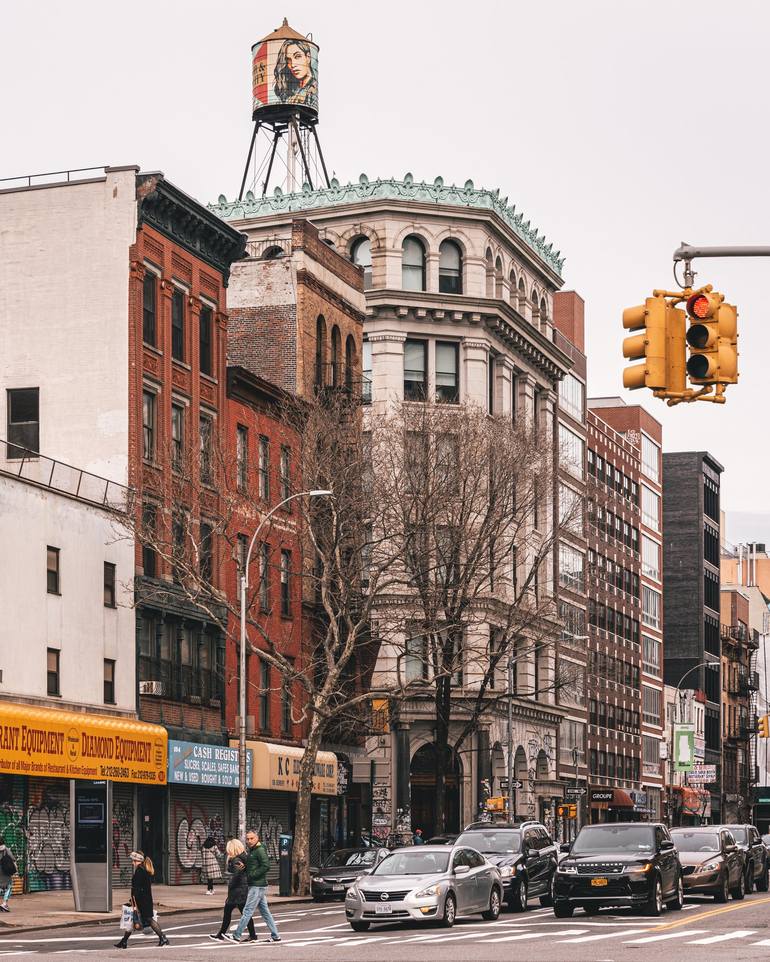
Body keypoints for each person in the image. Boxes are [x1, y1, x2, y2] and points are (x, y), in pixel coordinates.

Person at [225, 830, 280, 944]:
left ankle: (236, 935)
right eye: (248, 839)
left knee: (247, 911)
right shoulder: (253, 850)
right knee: (265, 912)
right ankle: (276, 936)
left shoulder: (259, 850)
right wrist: (244, 868)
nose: (249, 841)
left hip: (257, 885)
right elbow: (253, 866)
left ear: (257, 838)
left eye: (252, 838)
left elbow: (266, 866)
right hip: (257, 885)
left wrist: (252, 874)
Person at [114, 852, 170, 949]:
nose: (132, 863)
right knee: (134, 920)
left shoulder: (140, 871)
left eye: (133, 861)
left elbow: (138, 888)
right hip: (144, 900)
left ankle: (162, 938)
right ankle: (124, 941)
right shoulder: (143, 870)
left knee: (148, 919)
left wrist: (134, 901)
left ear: (138, 861)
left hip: (142, 901)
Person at [209, 840, 256, 942]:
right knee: (237, 912)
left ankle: (252, 935)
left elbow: (237, 874)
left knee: (241, 913)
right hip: (241, 889)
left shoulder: (236, 860)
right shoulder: (242, 858)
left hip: (238, 890)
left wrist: (231, 884)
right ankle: (221, 934)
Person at [273, 39, 318, 109]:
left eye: (297, 56)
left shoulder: (313, 90)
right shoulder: (289, 91)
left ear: (308, 57)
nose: (293, 65)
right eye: (288, 60)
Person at [0, 835, 17, 912]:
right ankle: (4, 904)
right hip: (5, 870)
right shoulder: (6, 849)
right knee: (8, 887)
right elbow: (13, 859)